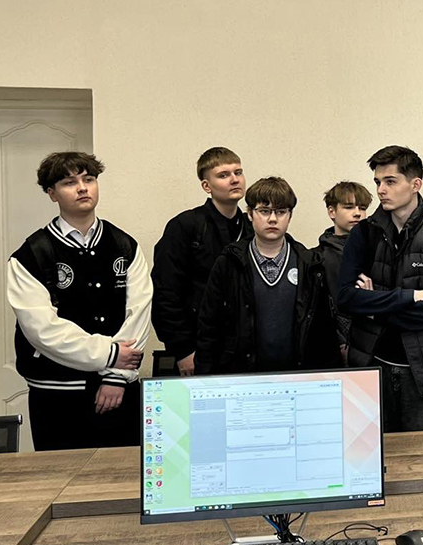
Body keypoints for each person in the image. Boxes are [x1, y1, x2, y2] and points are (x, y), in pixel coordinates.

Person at [7, 152, 150, 450]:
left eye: (89, 179)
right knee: (60, 474)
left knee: (121, 475)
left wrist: (116, 377)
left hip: (119, 390)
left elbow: (138, 313)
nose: (83, 188)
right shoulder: (30, 255)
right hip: (56, 394)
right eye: (69, 182)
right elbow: (41, 329)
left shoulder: (125, 246)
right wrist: (109, 354)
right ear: (52, 193)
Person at [338, 146, 423, 431]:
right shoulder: (363, 234)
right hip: (371, 367)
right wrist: (408, 297)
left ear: (415, 184)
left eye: (390, 181)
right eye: (378, 182)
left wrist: (372, 306)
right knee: (370, 453)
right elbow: (345, 298)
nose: (381, 190)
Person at [196, 177, 338, 374]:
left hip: (296, 376)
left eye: (280, 212)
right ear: (250, 214)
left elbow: (324, 331)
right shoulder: (229, 262)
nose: (272, 219)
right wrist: (204, 375)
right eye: (264, 211)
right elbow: (209, 325)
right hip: (241, 375)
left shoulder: (309, 264)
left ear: (290, 215)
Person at [152, 147, 251, 376]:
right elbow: (166, 291)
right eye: (223, 175)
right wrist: (182, 350)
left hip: (242, 350)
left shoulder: (251, 227)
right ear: (207, 186)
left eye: (238, 172)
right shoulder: (185, 226)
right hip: (196, 347)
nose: (234, 179)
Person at [314, 181, 372, 365]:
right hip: (333, 347)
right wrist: (339, 342)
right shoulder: (317, 258)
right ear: (332, 212)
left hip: (372, 343)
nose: (357, 213)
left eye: (362, 208)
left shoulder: (376, 251)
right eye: (349, 207)